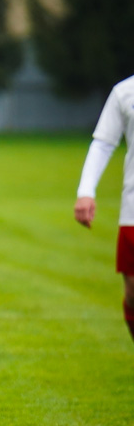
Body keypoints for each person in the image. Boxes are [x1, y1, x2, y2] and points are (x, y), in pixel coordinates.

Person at [74, 74, 134, 343]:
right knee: (133, 291)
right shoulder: (125, 92)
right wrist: (86, 191)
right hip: (132, 211)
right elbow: (103, 143)